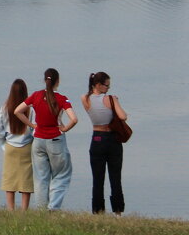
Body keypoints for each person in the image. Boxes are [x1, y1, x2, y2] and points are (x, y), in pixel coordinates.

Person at [14, 67, 77, 210]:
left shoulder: (36, 96)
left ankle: (42, 210)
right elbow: (74, 119)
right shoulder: (61, 99)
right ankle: (53, 208)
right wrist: (65, 128)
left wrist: (32, 125)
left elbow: (17, 111)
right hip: (56, 140)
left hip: (38, 141)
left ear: (44, 80)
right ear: (58, 81)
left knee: (41, 178)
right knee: (61, 175)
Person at [83, 71, 129, 215]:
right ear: (98, 84)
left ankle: (98, 211)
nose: (108, 88)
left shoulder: (85, 98)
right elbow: (123, 116)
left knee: (98, 179)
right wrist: (116, 101)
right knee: (115, 178)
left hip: (96, 138)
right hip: (111, 139)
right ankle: (118, 211)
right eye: (106, 85)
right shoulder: (110, 99)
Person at [0, 78, 34, 210]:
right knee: (26, 182)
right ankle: (24, 211)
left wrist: (3, 140)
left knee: (10, 181)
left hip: (10, 147)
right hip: (27, 147)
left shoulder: (6, 107)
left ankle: (10, 210)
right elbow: (35, 128)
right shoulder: (30, 108)